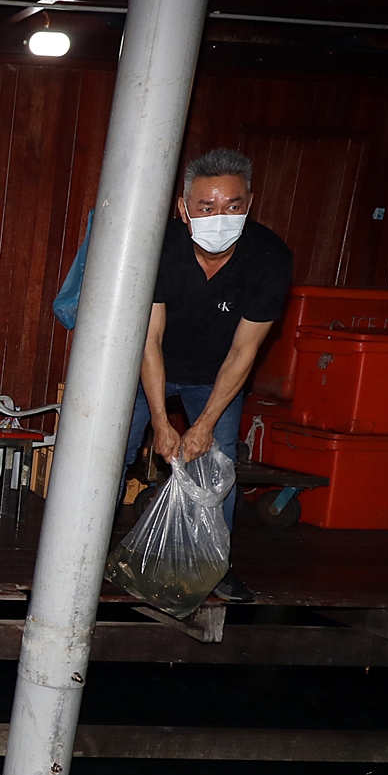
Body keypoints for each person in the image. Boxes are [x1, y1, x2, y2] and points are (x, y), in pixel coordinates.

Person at [122, 147, 292, 605]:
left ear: (249, 203)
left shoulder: (270, 258)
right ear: (184, 208)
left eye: (233, 206)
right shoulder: (157, 248)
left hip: (215, 374)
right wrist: (160, 421)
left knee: (215, 464)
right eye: (207, 207)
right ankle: (85, 556)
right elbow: (148, 340)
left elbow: (245, 350)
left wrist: (202, 426)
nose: (221, 216)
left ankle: (214, 569)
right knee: (107, 455)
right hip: (139, 367)